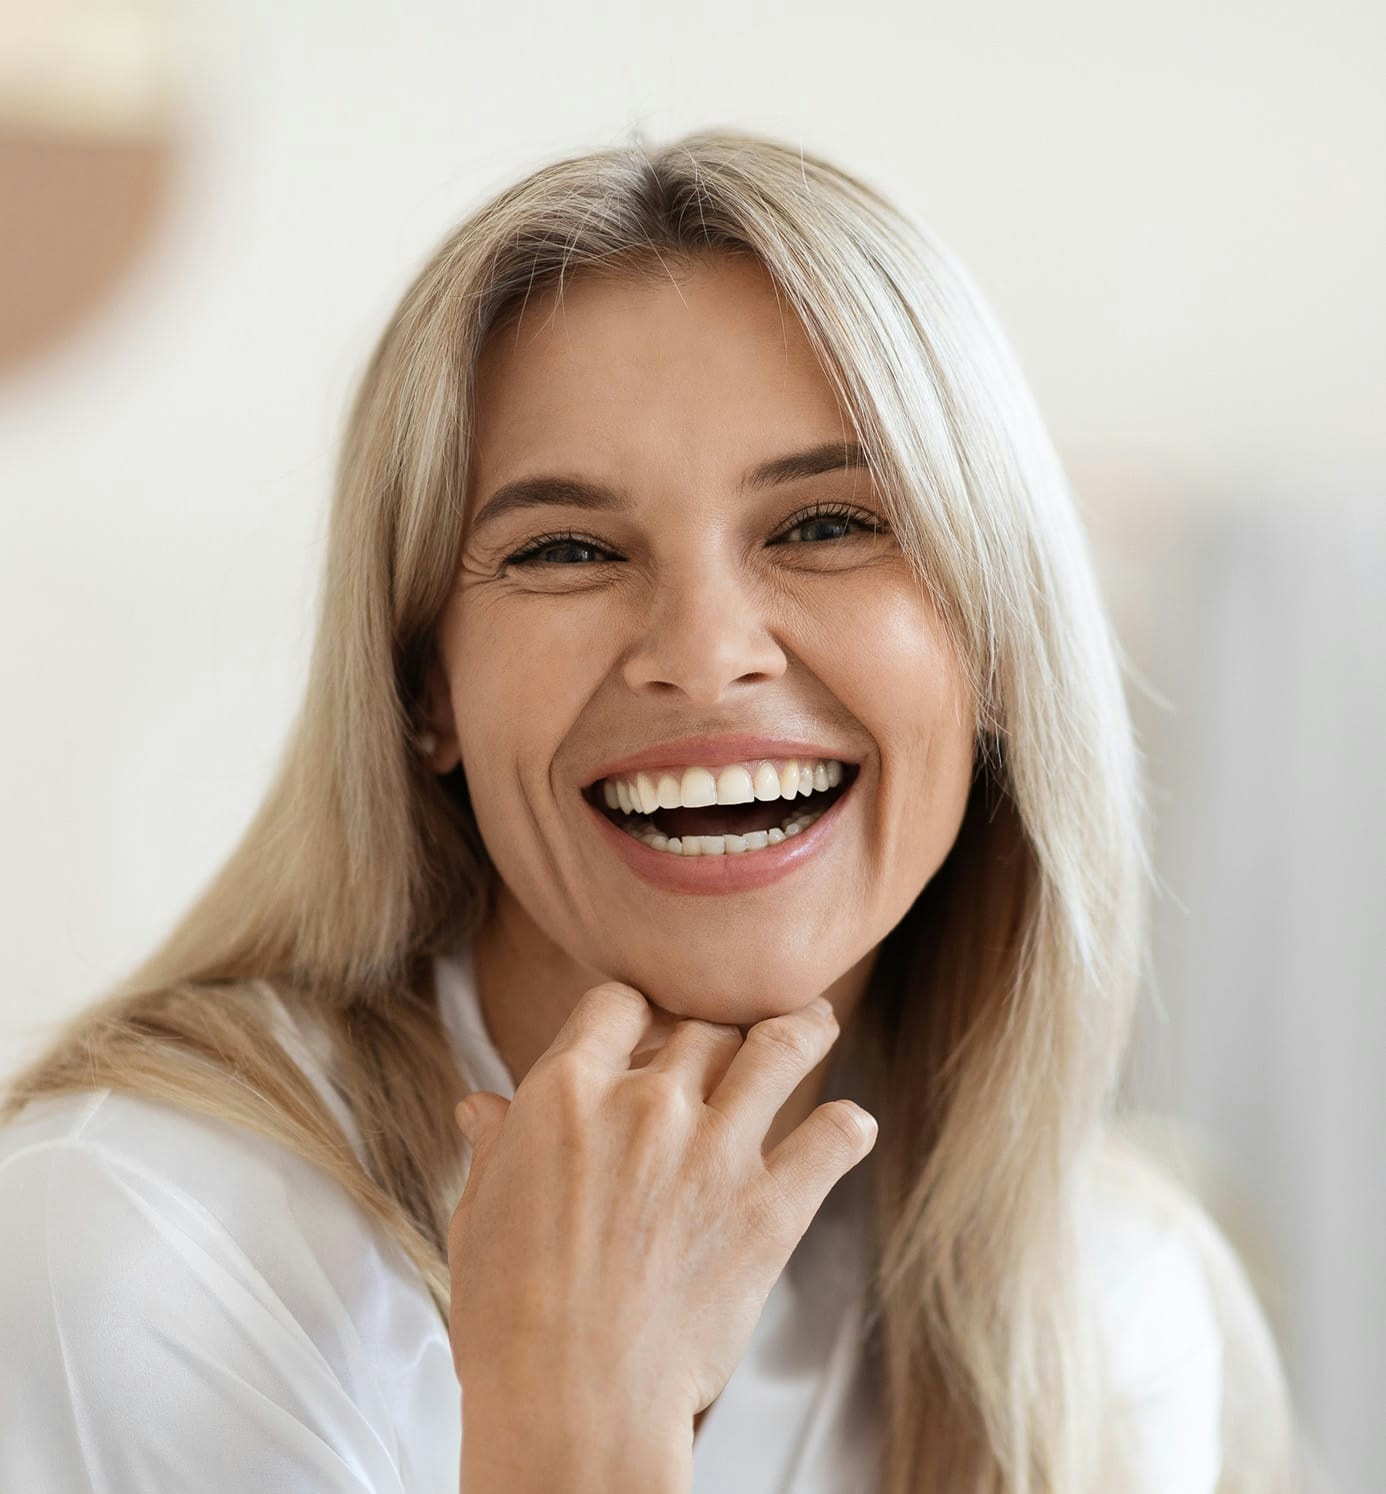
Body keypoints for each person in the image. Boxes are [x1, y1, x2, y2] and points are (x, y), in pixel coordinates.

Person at [0, 129, 1308, 1492]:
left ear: (993, 645)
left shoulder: (1097, 1307)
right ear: (423, 689)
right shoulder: (140, 1258)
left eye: (824, 524)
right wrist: (570, 1432)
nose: (702, 648)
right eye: (564, 548)